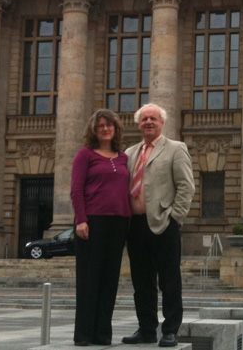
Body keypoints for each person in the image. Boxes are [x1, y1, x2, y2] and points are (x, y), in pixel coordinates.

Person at [122, 104, 194, 348]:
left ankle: (170, 330)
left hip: (164, 223)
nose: (148, 122)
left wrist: (175, 218)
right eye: (144, 119)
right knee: (142, 282)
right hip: (135, 225)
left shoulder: (176, 148)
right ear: (139, 124)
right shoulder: (130, 153)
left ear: (162, 123)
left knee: (169, 280)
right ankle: (146, 329)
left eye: (153, 118)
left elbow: (186, 186)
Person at [71, 109, 131, 347]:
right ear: (94, 130)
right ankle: (84, 334)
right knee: (89, 279)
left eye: (109, 125)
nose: (105, 129)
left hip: (119, 222)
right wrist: (81, 219)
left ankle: (103, 334)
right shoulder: (85, 155)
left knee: (110, 280)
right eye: (101, 126)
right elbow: (76, 189)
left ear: (115, 128)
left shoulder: (123, 157)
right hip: (92, 222)